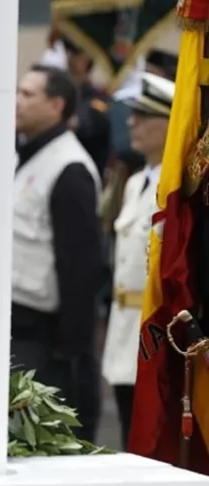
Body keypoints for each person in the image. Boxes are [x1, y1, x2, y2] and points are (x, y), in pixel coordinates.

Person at [11, 65, 104, 441]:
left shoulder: (69, 168)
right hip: (19, 327)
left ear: (56, 105)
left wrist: (70, 351)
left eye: (27, 94)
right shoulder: (30, 156)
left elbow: (80, 266)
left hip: (47, 340)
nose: (17, 101)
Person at [102, 72, 174, 447]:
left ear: (170, 123)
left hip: (155, 332)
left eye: (145, 116)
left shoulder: (177, 187)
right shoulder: (134, 183)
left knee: (153, 444)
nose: (133, 123)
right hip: (123, 329)